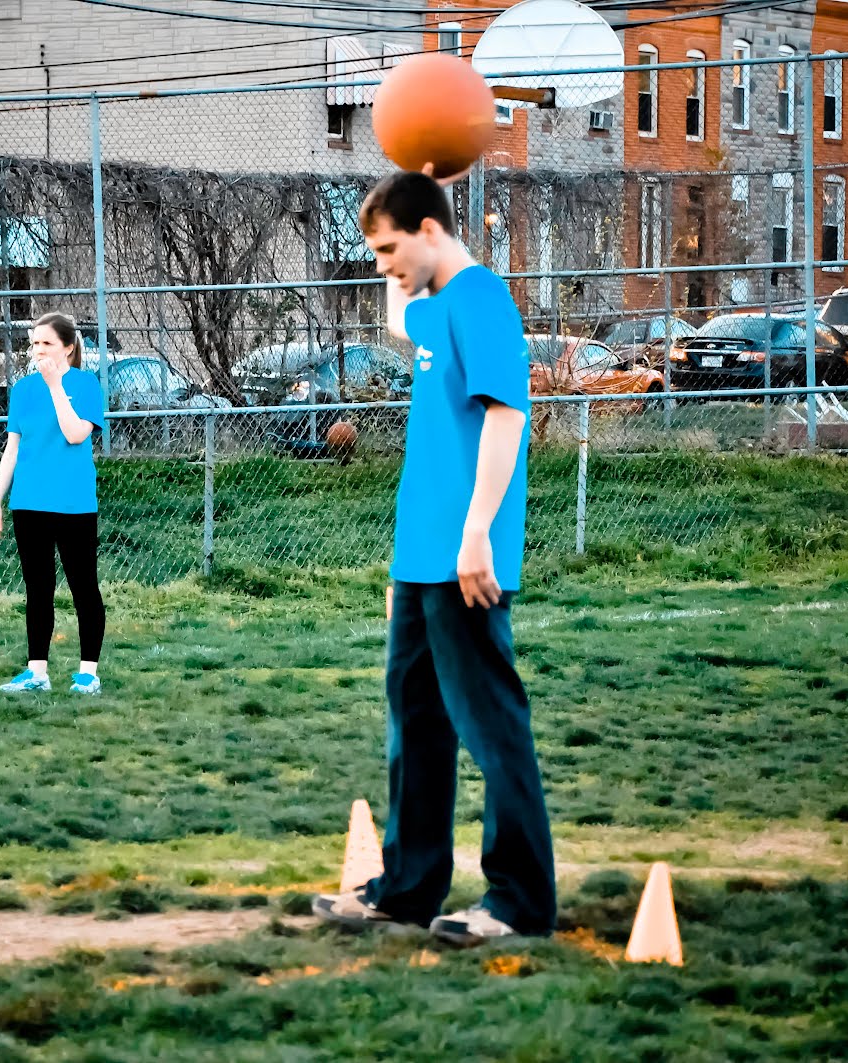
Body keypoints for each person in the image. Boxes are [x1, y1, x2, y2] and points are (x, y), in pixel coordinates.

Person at [312, 170, 556, 947]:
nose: (381, 264)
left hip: (465, 557)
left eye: (387, 247)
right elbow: (400, 320)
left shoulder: (481, 299)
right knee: (413, 727)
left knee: (491, 726)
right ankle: (407, 888)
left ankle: (520, 900)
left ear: (427, 230)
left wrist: (479, 528)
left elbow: (508, 415)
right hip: (419, 561)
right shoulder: (439, 307)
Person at [0, 312, 108, 695]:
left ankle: (88, 674)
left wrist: (57, 386)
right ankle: (36, 671)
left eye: (47, 344)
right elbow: (12, 450)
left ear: (68, 348)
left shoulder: (86, 385)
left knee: (83, 587)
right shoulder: (23, 390)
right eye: (34, 343)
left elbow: (75, 435)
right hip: (30, 503)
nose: (38, 351)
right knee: (37, 589)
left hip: (74, 503)